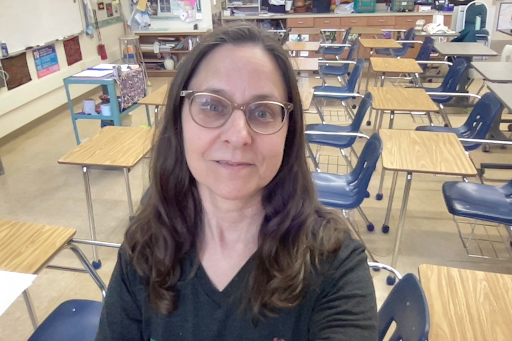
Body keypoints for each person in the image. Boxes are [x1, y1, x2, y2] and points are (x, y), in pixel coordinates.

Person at [95, 22, 377, 341]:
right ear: (179, 120)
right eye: (212, 106)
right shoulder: (144, 249)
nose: (239, 136)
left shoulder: (335, 264)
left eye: (262, 112)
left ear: (289, 132)